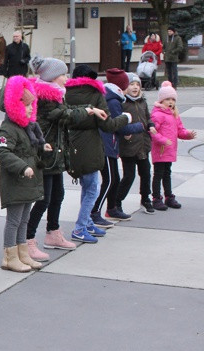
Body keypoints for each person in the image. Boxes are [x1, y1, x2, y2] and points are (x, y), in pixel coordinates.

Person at [26, 56, 104, 260]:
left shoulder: (57, 94)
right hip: (45, 154)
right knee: (43, 200)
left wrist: (90, 109)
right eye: (63, 74)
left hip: (56, 155)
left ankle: (53, 233)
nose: (66, 78)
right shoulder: (45, 97)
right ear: (52, 76)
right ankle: (28, 239)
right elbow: (66, 115)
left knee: (57, 195)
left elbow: (67, 111)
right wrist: (90, 110)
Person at [65, 64, 131, 244]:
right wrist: (125, 118)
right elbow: (107, 124)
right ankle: (80, 228)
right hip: (90, 145)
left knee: (86, 187)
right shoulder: (95, 95)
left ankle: (86, 223)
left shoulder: (67, 93)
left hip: (73, 143)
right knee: (92, 189)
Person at [0, 76, 51, 272]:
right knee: (14, 220)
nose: (29, 109)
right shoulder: (8, 129)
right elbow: (3, 152)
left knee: (24, 219)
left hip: (27, 182)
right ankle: (10, 256)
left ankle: (22, 253)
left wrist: (42, 147)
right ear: (14, 106)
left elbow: (28, 149)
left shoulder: (26, 127)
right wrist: (22, 167)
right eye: (26, 105)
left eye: (31, 105)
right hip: (16, 181)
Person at [93, 69, 145, 224]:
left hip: (111, 144)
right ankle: (95, 212)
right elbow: (117, 125)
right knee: (110, 180)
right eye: (128, 84)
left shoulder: (112, 98)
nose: (132, 87)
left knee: (115, 179)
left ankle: (112, 208)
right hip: (107, 145)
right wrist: (138, 126)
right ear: (122, 86)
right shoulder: (113, 101)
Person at [149, 81, 196, 210]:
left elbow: (180, 130)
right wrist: (162, 140)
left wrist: (188, 135)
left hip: (170, 150)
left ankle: (169, 196)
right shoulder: (157, 114)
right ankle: (156, 198)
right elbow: (152, 131)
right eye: (167, 99)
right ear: (161, 100)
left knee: (167, 173)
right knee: (158, 174)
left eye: (173, 100)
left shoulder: (174, 114)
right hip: (160, 149)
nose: (170, 102)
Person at [118, 72, 155, 214]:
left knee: (146, 173)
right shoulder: (122, 103)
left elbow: (147, 117)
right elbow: (118, 122)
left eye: (137, 85)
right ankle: (116, 201)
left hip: (143, 145)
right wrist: (125, 133)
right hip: (128, 145)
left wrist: (151, 125)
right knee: (129, 176)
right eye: (131, 84)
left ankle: (145, 199)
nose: (135, 87)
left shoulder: (142, 101)